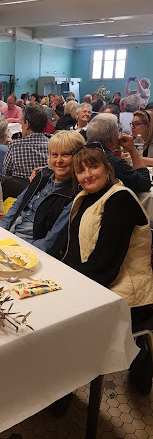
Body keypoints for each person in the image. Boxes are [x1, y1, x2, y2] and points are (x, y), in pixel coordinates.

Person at [63, 145, 153, 394]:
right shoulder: (85, 197)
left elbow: (105, 267)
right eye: (80, 171)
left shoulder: (120, 199)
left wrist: (68, 291)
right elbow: (74, 251)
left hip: (125, 292)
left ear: (108, 168)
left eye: (93, 166)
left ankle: (61, 386)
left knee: (61, 326)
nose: (87, 175)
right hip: (99, 278)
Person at [0, 130, 85, 257]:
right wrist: (0, 231)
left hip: (28, 250)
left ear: (78, 157)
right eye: (54, 155)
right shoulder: (42, 175)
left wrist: (18, 250)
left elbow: (50, 243)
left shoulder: (74, 195)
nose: (59, 160)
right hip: (9, 237)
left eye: (66, 154)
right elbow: (18, 204)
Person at [87, 113, 151, 193]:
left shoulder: (83, 153)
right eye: (118, 132)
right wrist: (133, 151)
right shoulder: (113, 162)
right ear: (112, 138)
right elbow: (144, 183)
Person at [2, 104, 49, 179]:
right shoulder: (53, 147)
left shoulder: (14, 146)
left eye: (22, 123)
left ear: (26, 124)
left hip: (18, 189)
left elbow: (6, 174)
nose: (21, 126)